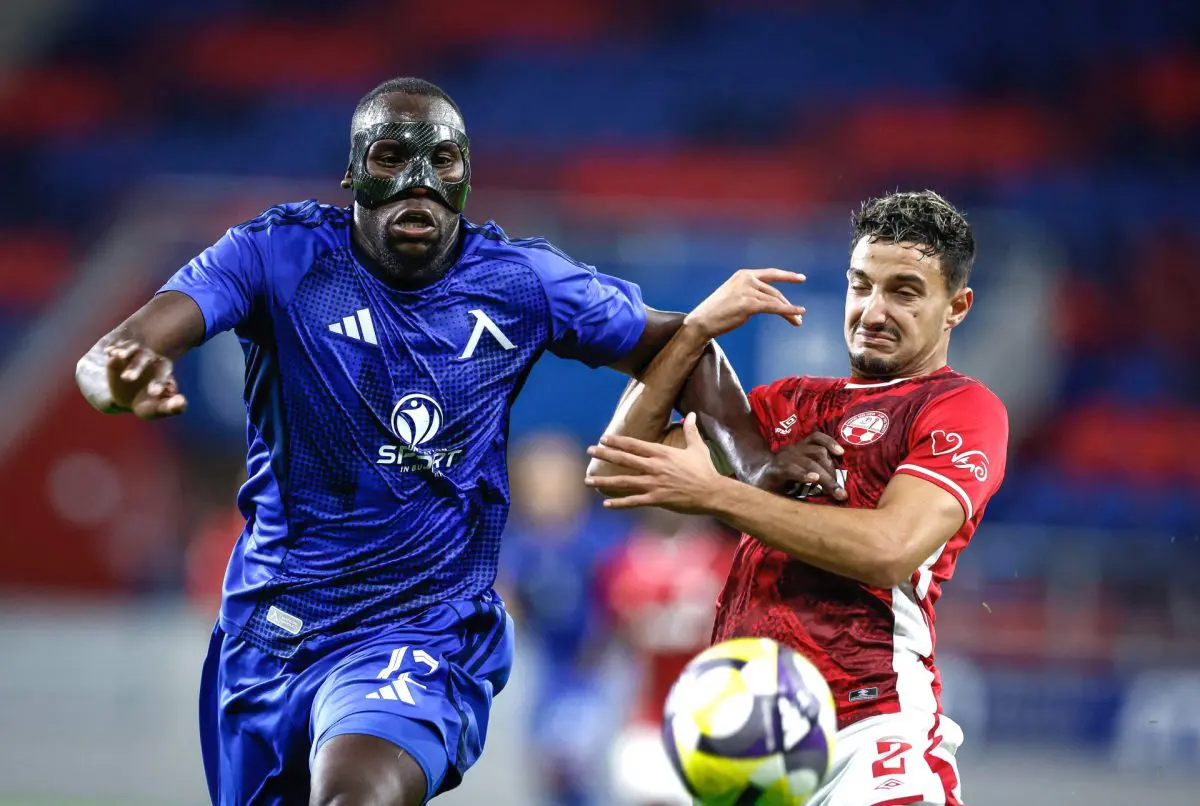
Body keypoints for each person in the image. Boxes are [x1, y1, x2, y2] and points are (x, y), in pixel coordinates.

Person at [71, 77, 810, 806]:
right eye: (392, 157)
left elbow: (683, 343)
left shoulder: (520, 281)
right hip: (269, 635)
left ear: (466, 176)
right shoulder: (275, 255)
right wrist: (121, 376)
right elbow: (113, 353)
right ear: (353, 171)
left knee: (355, 796)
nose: (418, 183)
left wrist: (755, 466)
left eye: (443, 161)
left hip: (420, 628)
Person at [586, 190, 1009, 806]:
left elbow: (889, 549)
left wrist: (722, 494)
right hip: (747, 745)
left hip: (871, 730)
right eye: (861, 286)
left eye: (905, 292)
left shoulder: (960, 407)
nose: (873, 311)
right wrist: (694, 330)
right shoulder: (789, 403)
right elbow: (617, 469)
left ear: (957, 307)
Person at [497, 432, 627, 806]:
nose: (548, 490)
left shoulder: (603, 542)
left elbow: (622, 605)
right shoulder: (516, 546)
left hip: (602, 671)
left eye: (557, 478)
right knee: (551, 768)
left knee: (593, 764)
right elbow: (505, 603)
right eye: (537, 480)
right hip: (545, 672)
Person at [599, 508, 737, 806]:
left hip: (716, 725)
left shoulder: (730, 560)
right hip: (648, 724)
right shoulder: (622, 562)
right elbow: (616, 638)